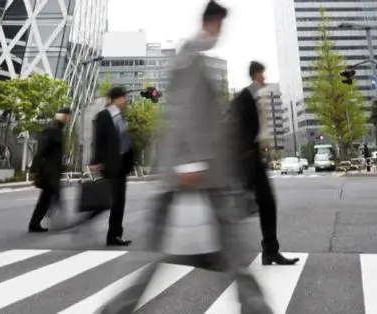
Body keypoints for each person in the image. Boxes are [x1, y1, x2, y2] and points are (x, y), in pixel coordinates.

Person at [99, 2, 271, 313]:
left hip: (199, 172)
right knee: (193, 249)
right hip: (194, 173)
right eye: (220, 25)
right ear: (213, 21)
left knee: (208, 249)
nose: (221, 33)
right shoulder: (190, 55)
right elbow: (183, 111)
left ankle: (254, 305)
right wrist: (189, 163)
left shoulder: (194, 55)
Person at [233, 61, 298, 265]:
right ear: (255, 74)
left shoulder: (255, 96)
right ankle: (267, 250)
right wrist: (245, 156)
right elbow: (237, 128)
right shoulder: (245, 97)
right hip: (248, 159)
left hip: (253, 158)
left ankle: (269, 250)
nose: (265, 78)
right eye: (262, 74)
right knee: (263, 204)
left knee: (265, 204)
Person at [89, 87, 137, 246]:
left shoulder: (119, 117)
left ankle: (114, 234)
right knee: (114, 200)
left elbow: (123, 141)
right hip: (111, 164)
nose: (126, 101)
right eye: (124, 97)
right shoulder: (104, 116)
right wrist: (97, 161)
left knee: (118, 201)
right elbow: (98, 140)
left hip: (121, 165)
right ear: (117, 98)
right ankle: (113, 234)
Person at [28, 108, 71, 232]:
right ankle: (54, 220)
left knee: (47, 197)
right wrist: (34, 169)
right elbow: (42, 149)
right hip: (49, 170)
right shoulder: (52, 130)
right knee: (51, 196)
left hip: (54, 170)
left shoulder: (58, 130)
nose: (68, 119)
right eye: (66, 116)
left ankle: (36, 222)